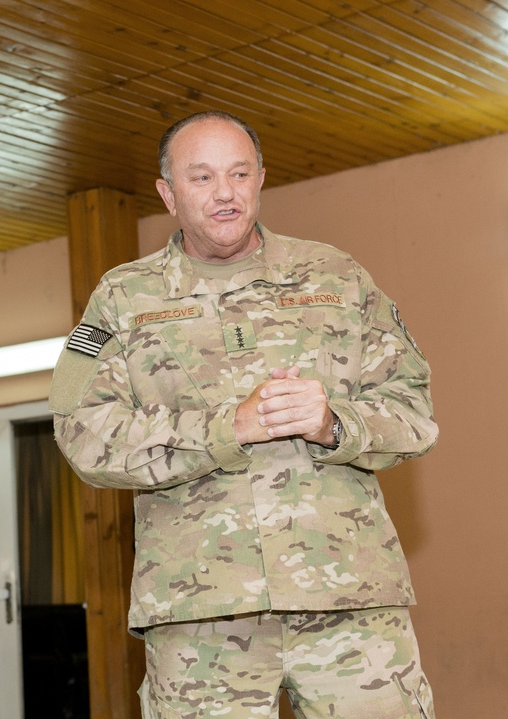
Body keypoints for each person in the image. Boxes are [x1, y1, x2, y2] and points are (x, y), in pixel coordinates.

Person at [49, 111, 439, 719]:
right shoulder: (120, 298)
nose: (225, 192)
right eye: (201, 177)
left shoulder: (338, 277)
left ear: (260, 179)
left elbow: (414, 409)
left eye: (239, 172)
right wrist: (224, 429)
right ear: (167, 193)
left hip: (351, 601)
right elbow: (79, 433)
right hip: (199, 616)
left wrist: (333, 423)